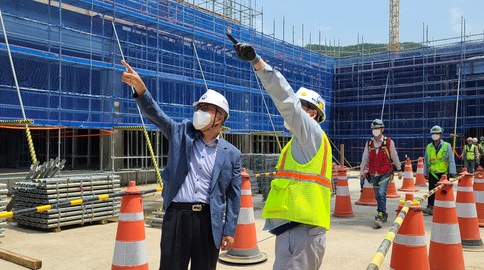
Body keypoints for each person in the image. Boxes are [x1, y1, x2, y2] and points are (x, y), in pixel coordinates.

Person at [120, 60, 242, 270]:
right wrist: (141, 89)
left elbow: (233, 195)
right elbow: (156, 115)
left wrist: (229, 230)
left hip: (208, 220)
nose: (199, 112)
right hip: (177, 217)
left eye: (205, 108)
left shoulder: (232, 154)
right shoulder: (181, 132)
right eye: (198, 107)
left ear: (220, 117)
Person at [234, 42, 332, 270]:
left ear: (313, 114)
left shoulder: (310, 134)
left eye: (302, 107)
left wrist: (258, 63)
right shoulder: (300, 142)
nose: (296, 111)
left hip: (301, 232)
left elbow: (287, 101)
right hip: (298, 231)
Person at [359, 119, 402, 229]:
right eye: (374, 129)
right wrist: (361, 171)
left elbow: (394, 156)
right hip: (373, 173)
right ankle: (383, 213)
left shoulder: (388, 142)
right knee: (377, 195)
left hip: (385, 172)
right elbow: (365, 157)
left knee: (382, 193)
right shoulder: (369, 143)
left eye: (377, 128)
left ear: (382, 129)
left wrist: (399, 169)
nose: (375, 131)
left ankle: (380, 214)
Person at [422, 125, 457, 215]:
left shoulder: (447, 146)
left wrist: (453, 171)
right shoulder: (429, 147)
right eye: (433, 133)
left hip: (444, 174)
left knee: (444, 192)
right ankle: (430, 207)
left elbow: (451, 159)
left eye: (437, 133)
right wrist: (425, 172)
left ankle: (444, 208)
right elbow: (426, 161)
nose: (435, 135)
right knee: (431, 191)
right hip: (433, 173)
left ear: (441, 134)